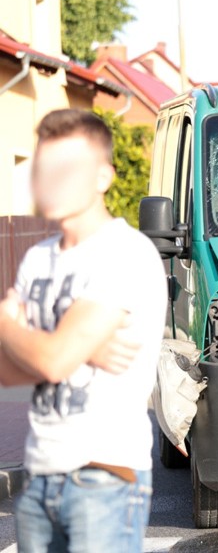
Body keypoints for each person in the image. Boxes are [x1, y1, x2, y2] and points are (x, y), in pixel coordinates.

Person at [0, 109, 166, 552]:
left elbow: (50, 361)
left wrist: (8, 322)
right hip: (37, 476)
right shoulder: (38, 259)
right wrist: (66, 343)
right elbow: (9, 373)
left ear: (102, 177)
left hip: (103, 476)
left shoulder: (124, 253)